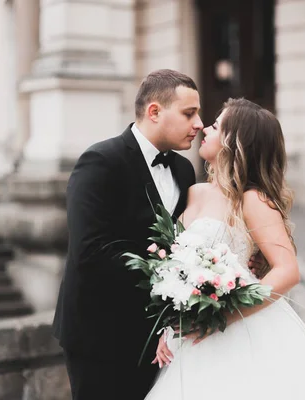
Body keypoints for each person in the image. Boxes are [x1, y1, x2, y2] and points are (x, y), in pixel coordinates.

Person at [144, 98, 305, 399]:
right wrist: (169, 325)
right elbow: (176, 267)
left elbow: (287, 270)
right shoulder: (194, 192)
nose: (204, 129)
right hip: (186, 335)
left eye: (215, 125)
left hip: (235, 327)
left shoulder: (251, 200)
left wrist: (225, 317)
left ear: (233, 142)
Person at [52, 69, 204, 400]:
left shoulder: (183, 169)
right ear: (154, 112)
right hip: (100, 335)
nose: (199, 124)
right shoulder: (100, 162)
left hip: (162, 337)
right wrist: (170, 275)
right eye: (189, 113)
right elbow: (90, 250)